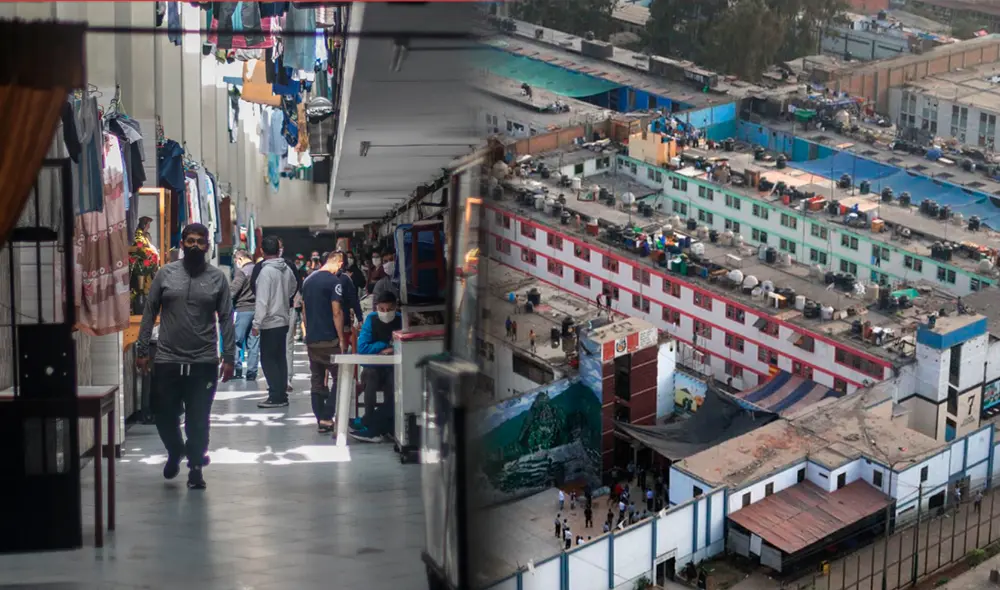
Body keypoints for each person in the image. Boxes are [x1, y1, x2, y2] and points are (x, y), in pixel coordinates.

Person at [136, 223, 235, 490]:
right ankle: (176, 449)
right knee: (163, 414)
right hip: (167, 359)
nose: (194, 246)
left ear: (207, 246)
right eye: (189, 241)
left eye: (200, 242)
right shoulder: (165, 275)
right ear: (182, 244)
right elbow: (149, 312)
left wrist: (229, 356)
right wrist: (142, 349)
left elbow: (226, 317)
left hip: (203, 361)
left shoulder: (217, 279)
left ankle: (195, 468)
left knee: (198, 418)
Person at [301, 251, 347, 433]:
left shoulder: (308, 281)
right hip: (330, 339)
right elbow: (336, 312)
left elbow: (304, 311)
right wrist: (341, 338)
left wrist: (307, 331)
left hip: (313, 340)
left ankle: (321, 419)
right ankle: (328, 416)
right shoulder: (334, 282)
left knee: (317, 379)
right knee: (340, 377)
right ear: (339, 263)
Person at [251, 235, 297, 409]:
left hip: (270, 322)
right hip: (283, 319)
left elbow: (262, 301)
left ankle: (275, 396)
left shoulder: (265, 272)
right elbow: (293, 287)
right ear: (278, 250)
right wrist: (283, 300)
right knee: (280, 358)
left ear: (262, 251)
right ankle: (281, 394)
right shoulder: (286, 269)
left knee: (268, 360)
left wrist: (256, 324)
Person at [351, 291, 402, 442]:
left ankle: (389, 424)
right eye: (382, 310)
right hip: (372, 367)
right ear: (376, 308)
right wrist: (385, 346)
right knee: (371, 376)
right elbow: (362, 348)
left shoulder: (401, 320)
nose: (385, 313)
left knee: (394, 380)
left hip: (393, 368)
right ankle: (369, 418)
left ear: (396, 307)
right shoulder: (371, 320)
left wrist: (390, 350)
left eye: (389, 309)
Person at [230, 249, 259, 381]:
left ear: (240, 259)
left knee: (237, 341)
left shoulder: (242, 272)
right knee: (253, 342)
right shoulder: (259, 270)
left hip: (242, 310)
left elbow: (233, 291)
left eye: (236, 261)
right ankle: (252, 372)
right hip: (257, 310)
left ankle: (237, 370)